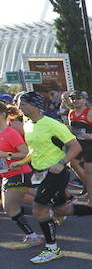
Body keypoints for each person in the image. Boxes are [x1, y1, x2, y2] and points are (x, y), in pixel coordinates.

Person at [15, 91, 92, 263]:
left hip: (55, 172)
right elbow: (34, 150)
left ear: (35, 105)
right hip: (40, 172)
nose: (20, 107)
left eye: (23, 104)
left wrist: (62, 162)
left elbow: (75, 147)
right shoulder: (27, 124)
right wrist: (21, 162)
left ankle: (52, 249)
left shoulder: (52, 124)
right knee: (61, 210)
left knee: (38, 209)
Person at [1, 101, 40, 248]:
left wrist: (6, 154)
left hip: (19, 173)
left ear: (3, 114)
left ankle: (33, 237)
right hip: (6, 174)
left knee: (10, 207)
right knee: (10, 207)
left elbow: (25, 153)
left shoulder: (10, 133)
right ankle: (51, 212)